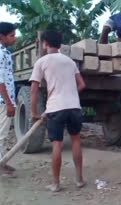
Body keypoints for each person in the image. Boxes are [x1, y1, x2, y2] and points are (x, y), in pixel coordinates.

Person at [30, 30, 86, 192]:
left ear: (45, 43)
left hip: (56, 107)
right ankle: (79, 180)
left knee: (57, 144)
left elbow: (34, 90)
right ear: (60, 45)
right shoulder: (70, 62)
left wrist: (34, 112)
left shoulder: (42, 62)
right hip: (74, 106)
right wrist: (71, 94)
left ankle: (55, 184)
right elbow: (82, 85)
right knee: (76, 141)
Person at [0, 22, 17, 178]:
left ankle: (2, 162)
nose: (15, 38)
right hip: (2, 101)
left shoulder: (4, 52)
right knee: (2, 134)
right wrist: (8, 103)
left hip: (3, 100)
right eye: (12, 35)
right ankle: (0, 165)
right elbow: (0, 81)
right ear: (2, 36)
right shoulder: (0, 53)